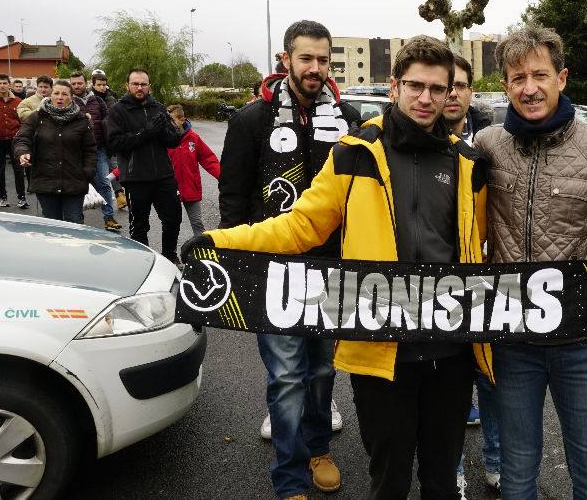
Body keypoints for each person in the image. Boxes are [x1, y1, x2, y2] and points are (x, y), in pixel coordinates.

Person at [188, 35, 489, 500]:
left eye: (437, 88)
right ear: (394, 87)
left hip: (451, 353)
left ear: (451, 91)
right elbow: (299, 228)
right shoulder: (353, 153)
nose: (426, 98)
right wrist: (220, 240)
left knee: (442, 482)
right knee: (387, 480)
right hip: (380, 356)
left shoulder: (469, 163)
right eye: (415, 86)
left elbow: (489, 246)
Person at [474, 25, 587, 500]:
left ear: (562, 77)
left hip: (582, 342)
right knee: (517, 473)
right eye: (517, 78)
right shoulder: (488, 146)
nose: (529, 88)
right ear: (506, 85)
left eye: (539, 75)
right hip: (512, 339)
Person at [216, 20, 358, 499]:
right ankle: (290, 475)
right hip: (272, 270)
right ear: (285, 60)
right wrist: (237, 264)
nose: (316, 68)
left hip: (331, 270)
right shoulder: (251, 120)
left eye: (323, 60)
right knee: (286, 377)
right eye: (306, 59)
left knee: (322, 370)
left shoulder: (348, 119)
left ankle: (319, 447)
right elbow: (233, 200)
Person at [444, 56, 501, 497]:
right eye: (448, 85)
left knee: (492, 378)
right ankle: (452, 469)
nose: (453, 93)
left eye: (462, 85)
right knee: (450, 386)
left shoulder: (487, 146)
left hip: (484, 286)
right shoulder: (413, 144)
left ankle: (498, 462)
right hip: (433, 289)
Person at [105, 68, 182, 262]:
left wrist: (166, 131)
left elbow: (173, 141)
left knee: (173, 219)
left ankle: (170, 257)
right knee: (139, 225)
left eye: (143, 84)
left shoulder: (158, 107)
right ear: (127, 85)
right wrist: (145, 132)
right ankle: (143, 262)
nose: (139, 88)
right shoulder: (118, 110)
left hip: (163, 175)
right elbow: (114, 144)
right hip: (136, 177)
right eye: (135, 84)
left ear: (149, 86)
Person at [13, 80, 96, 222]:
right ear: (51, 95)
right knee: (52, 226)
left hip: (74, 182)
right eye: (56, 93)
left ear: (71, 97)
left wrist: (87, 173)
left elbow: (90, 150)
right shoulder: (37, 117)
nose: (60, 97)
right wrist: (23, 153)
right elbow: (22, 138)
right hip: (46, 181)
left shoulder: (82, 120)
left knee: (74, 223)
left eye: (64, 94)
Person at [69, 71, 120, 231]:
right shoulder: (68, 101)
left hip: (98, 149)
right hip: (75, 152)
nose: (77, 86)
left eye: (80, 83)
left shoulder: (97, 100)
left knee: (104, 184)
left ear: (86, 83)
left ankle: (109, 218)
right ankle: (79, 219)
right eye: (74, 83)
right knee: (77, 187)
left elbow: (108, 119)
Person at [166, 104, 220, 235]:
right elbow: (147, 159)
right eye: (167, 121)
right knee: (171, 223)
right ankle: (170, 253)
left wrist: (224, 177)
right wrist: (117, 173)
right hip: (171, 189)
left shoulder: (193, 138)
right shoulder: (164, 139)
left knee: (197, 222)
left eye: (173, 120)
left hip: (191, 187)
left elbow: (208, 159)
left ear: (182, 120)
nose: (169, 124)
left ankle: (202, 249)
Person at [0, 73, 28, 209]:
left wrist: (19, 136)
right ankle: (3, 197)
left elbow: (22, 121)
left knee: (19, 170)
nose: (2, 86)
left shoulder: (18, 101)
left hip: (14, 140)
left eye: (5, 83)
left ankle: (22, 198)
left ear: (10, 84)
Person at [91, 70, 124, 209]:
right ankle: (95, 196)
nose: (102, 87)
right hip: (96, 140)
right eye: (99, 84)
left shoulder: (112, 97)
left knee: (114, 166)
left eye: (104, 84)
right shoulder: (89, 98)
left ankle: (119, 194)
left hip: (111, 138)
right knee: (98, 172)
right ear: (93, 84)